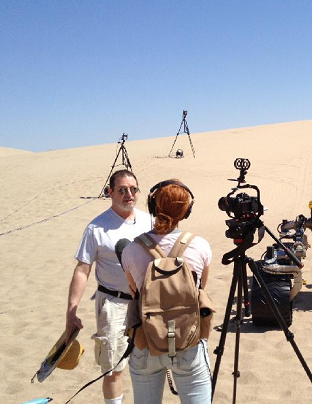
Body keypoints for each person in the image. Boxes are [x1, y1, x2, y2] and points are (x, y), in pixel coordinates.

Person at [121, 179, 212, 404]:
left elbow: (134, 291)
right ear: (186, 211)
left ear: (152, 208)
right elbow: (201, 288)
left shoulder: (132, 249)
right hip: (188, 342)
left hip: (146, 342)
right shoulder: (200, 246)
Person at [66, 169, 152, 404]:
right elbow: (82, 270)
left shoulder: (149, 220)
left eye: (133, 189)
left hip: (147, 305)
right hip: (113, 305)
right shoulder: (97, 228)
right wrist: (71, 311)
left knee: (149, 365)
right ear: (110, 192)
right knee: (113, 369)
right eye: (122, 190)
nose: (129, 194)